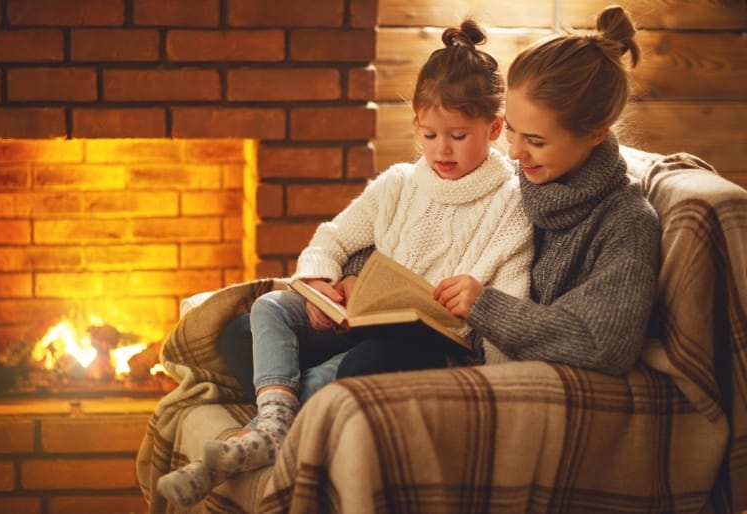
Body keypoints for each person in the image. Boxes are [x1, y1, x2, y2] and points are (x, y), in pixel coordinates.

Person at [156, 19, 534, 508]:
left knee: (361, 363)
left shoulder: (510, 203)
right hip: (359, 319)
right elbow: (334, 237)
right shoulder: (399, 183)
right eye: (429, 133)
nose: (442, 149)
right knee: (251, 323)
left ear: (495, 128)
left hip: (425, 345)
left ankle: (264, 425)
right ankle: (278, 418)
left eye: (459, 136)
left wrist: (477, 325)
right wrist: (320, 280)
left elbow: (509, 305)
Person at [337, 4, 661, 381]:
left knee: (361, 365)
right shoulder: (522, 178)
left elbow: (605, 344)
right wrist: (358, 272)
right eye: (512, 131)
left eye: (536, 141)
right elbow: (415, 223)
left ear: (595, 133)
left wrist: (485, 307)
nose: (514, 153)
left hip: (483, 367)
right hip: (422, 338)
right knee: (256, 325)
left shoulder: (626, 223)